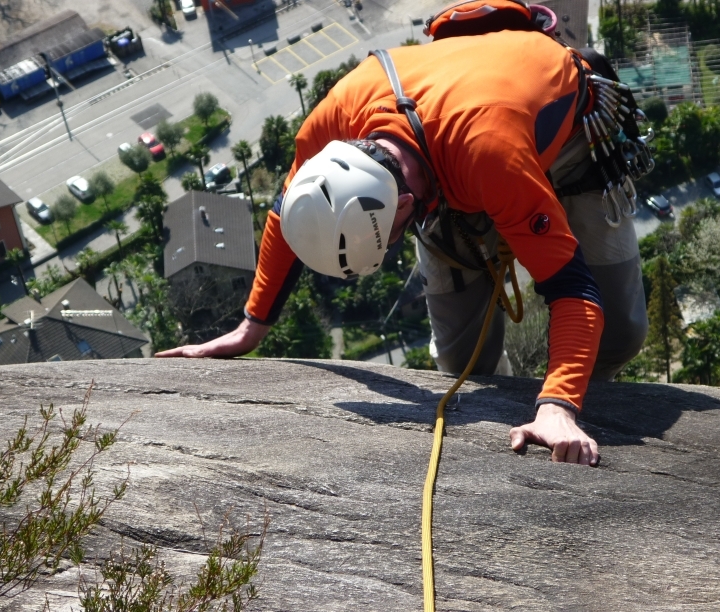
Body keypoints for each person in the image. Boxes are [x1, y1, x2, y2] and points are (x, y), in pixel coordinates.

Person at [157, 27, 649, 467]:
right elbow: (285, 214)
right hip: (455, 151)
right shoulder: (336, 120)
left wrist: (558, 407)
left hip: (567, 140)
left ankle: (586, 393)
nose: (398, 246)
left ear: (406, 204)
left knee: (621, 332)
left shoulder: (489, 158)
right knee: (463, 368)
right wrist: (250, 328)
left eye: (394, 235)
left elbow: (574, 291)